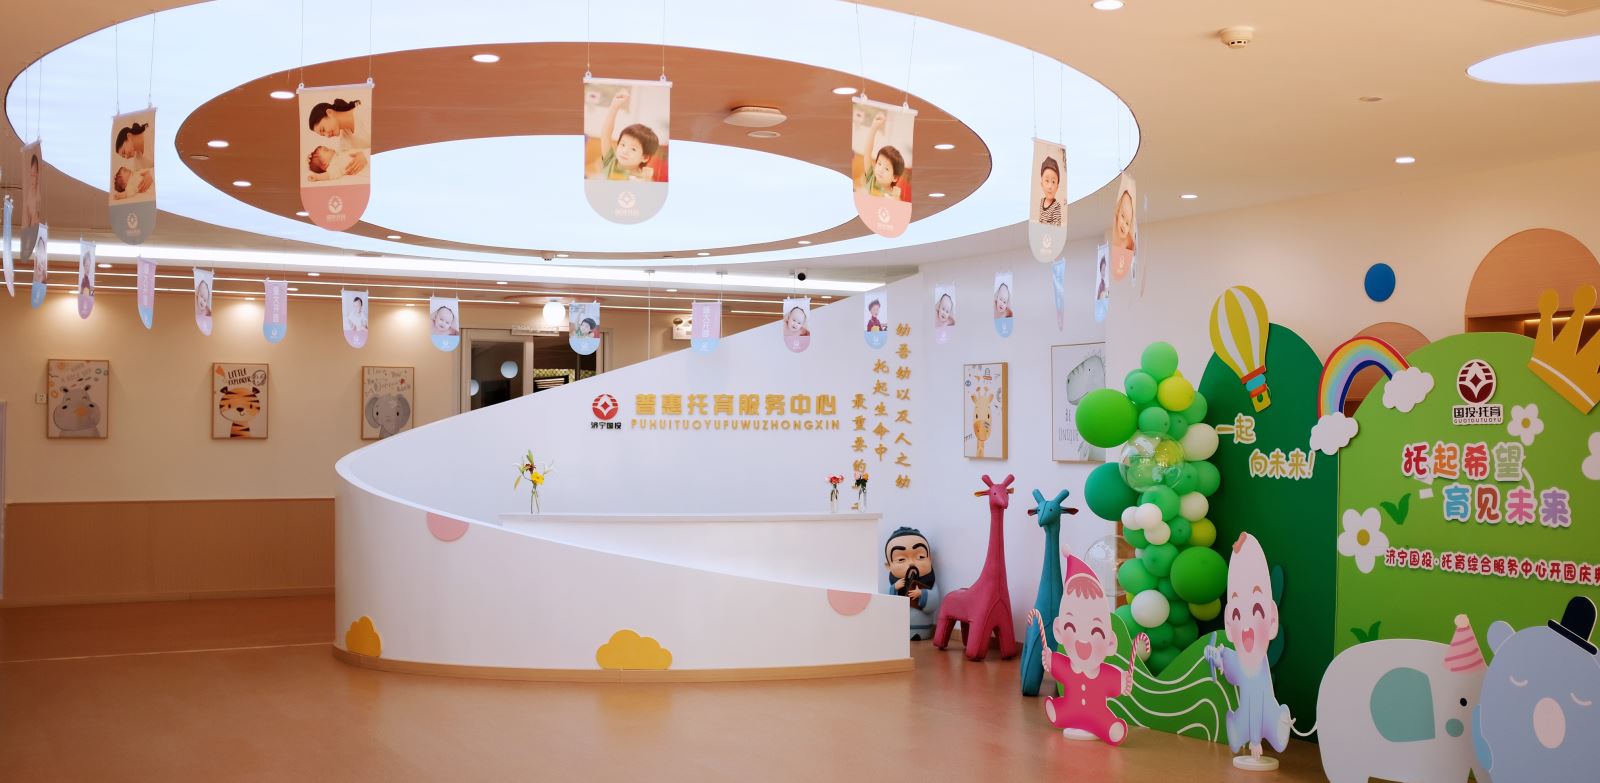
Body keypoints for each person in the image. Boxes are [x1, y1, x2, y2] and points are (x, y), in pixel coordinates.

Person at [1204, 533, 1293, 762]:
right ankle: (1241, 732)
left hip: (1265, 716)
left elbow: (1255, 695)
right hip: (1243, 716)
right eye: (1236, 614)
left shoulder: (1258, 665)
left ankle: (1262, 734)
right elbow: (1232, 670)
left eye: (1256, 611)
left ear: (1272, 619)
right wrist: (1217, 657)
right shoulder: (1242, 661)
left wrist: (1255, 740)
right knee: (1241, 720)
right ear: (1228, 622)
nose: (1246, 628)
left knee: (1269, 714)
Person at [1037, 555, 1141, 744]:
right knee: (1066, 710)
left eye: (1095, 631)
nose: (1083, 640)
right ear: (1059, 631)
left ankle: (1109, 728)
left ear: (1110, 643)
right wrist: (1049, 659)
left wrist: (1123, 682)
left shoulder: (1103, 675)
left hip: (1097, 715)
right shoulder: (1068, 666)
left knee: (1103, 720)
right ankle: (1059, 713)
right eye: (1071, 627)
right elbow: (1056, 665)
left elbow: (1116, 681)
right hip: (1071, 708)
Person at [884, 527, 940, 641]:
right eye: (901, 559)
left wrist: (922, 594)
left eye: (920, 557)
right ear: (888, 566)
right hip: (899, 629)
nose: (911, 563)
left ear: (930, 559)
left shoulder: (931, 582)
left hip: (924, 627)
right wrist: (894, 588)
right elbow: (886, 603)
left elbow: (934, 601)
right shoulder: (893, 584)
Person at [594, 90, 660, 182]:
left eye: (633, 149)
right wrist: (614, 106)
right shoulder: (611, 162)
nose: (624, 151)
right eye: (623, 145)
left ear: (645, 157)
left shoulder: (643, 179)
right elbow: (606, 134)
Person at [307, 98, 370, 177]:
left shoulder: (364, 113)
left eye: (323, 129)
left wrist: (365, 155)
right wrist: (314, 161)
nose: (327, 136)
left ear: (329, 113)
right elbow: (339, 158)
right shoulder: (345, 134)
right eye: (323, 135)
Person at [857, 112, 904, 199]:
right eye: (879, 164)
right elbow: (867, 152)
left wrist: (896, 198)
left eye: (886, 169)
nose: (881, 170)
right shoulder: (871, 179)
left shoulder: (894, 194)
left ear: (894, 178)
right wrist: (874, 127)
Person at [1038, 156, 1063, 226]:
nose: (1050, 186)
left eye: (1053, 182)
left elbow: (1056, 227)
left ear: (1057, 187)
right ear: (1042, 184)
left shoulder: (1056, 207)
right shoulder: (1042, 201)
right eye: (1047, 181)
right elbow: (1040, 221)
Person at [1112, 188, 1136, 254]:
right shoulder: (1114, 228)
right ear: (1117, 212)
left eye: (1127, 223)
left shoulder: (1128, 241)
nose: (1123, 225)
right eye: (1122, 216)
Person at [22, 152, 41, 226]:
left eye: (34, 175)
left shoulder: (38, 191)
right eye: (31, 175)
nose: (33, 179)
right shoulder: (30, 192)